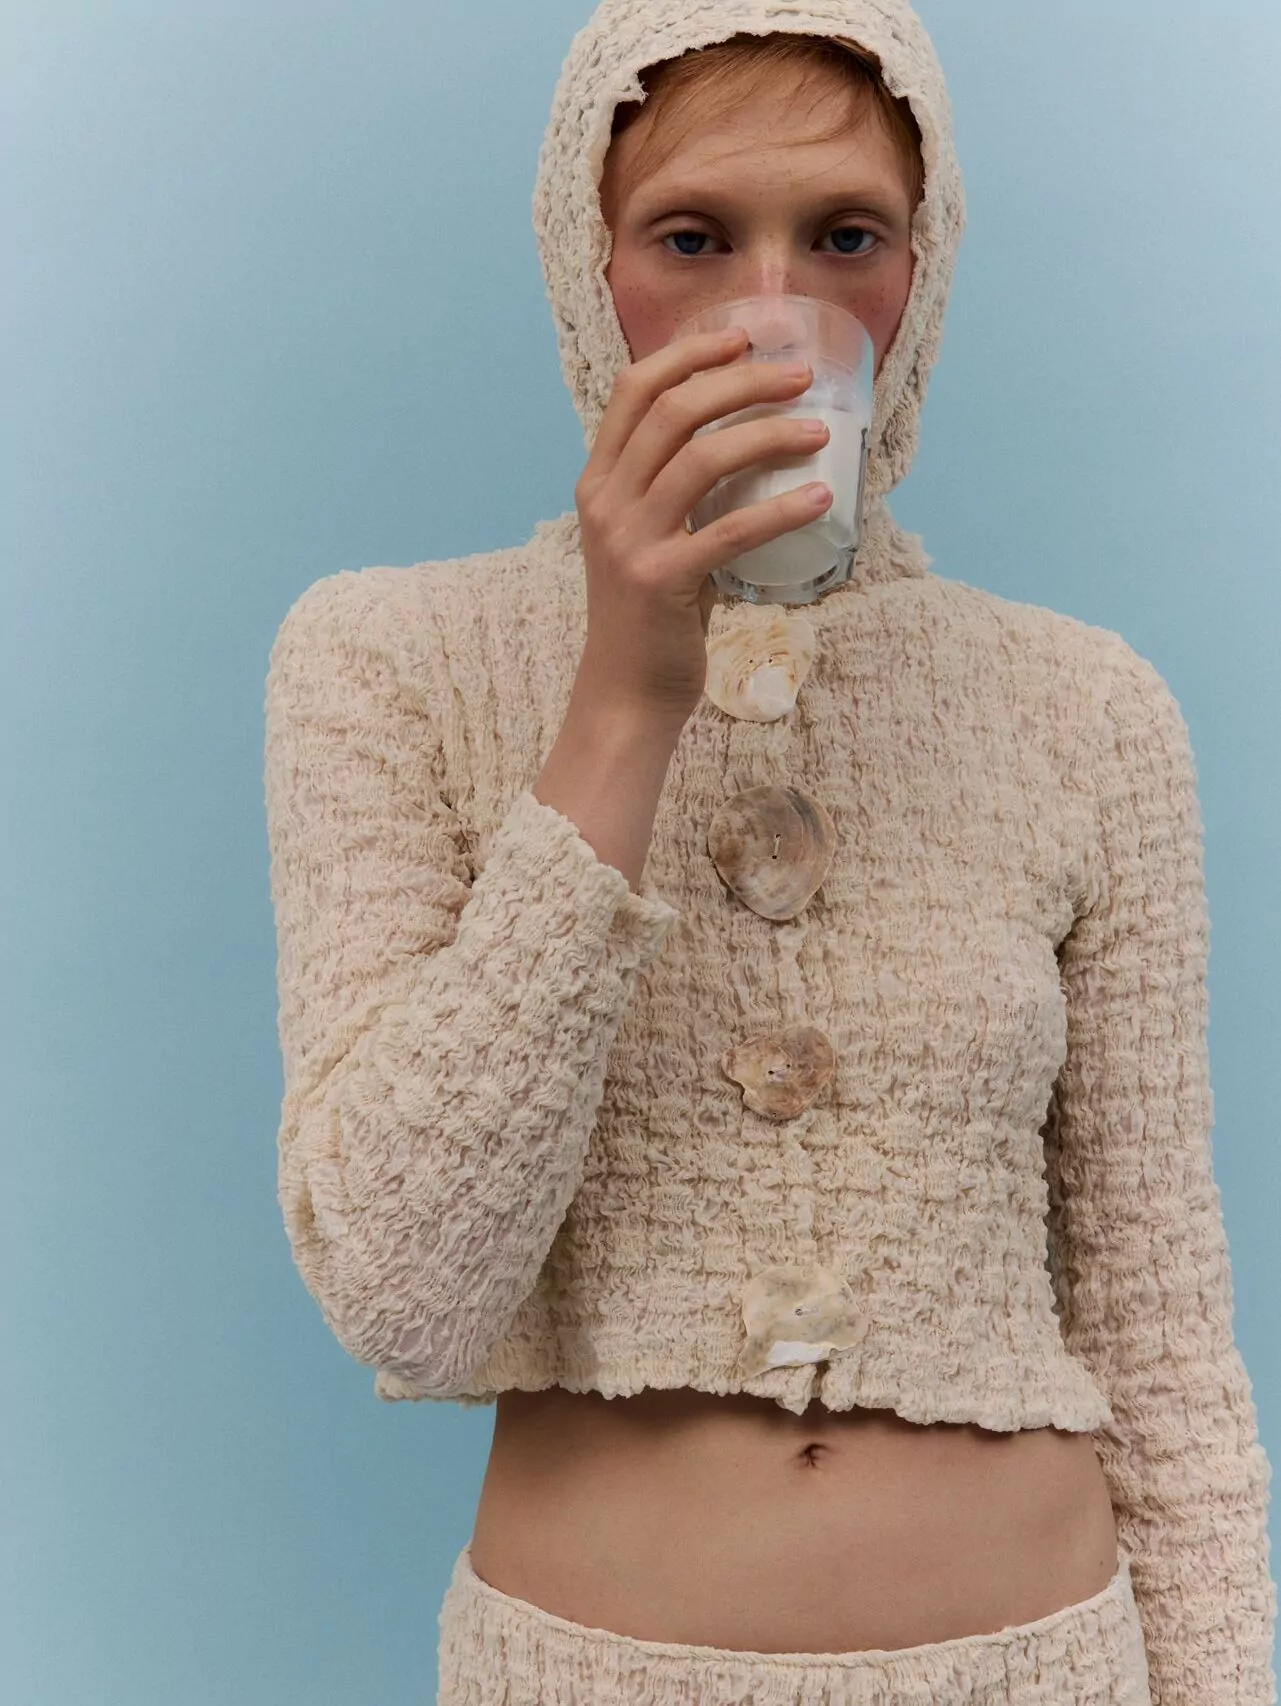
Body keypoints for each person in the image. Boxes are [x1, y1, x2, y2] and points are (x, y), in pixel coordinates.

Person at [262, 3, 1277, 1702]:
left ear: (920, 276)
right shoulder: (386, 663)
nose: (770, 307)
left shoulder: (1090, 711)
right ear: (588, 266)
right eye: (691, 238)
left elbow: (1164, 1336)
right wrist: (618, 703)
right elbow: (404, 1292)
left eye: (845, 237)